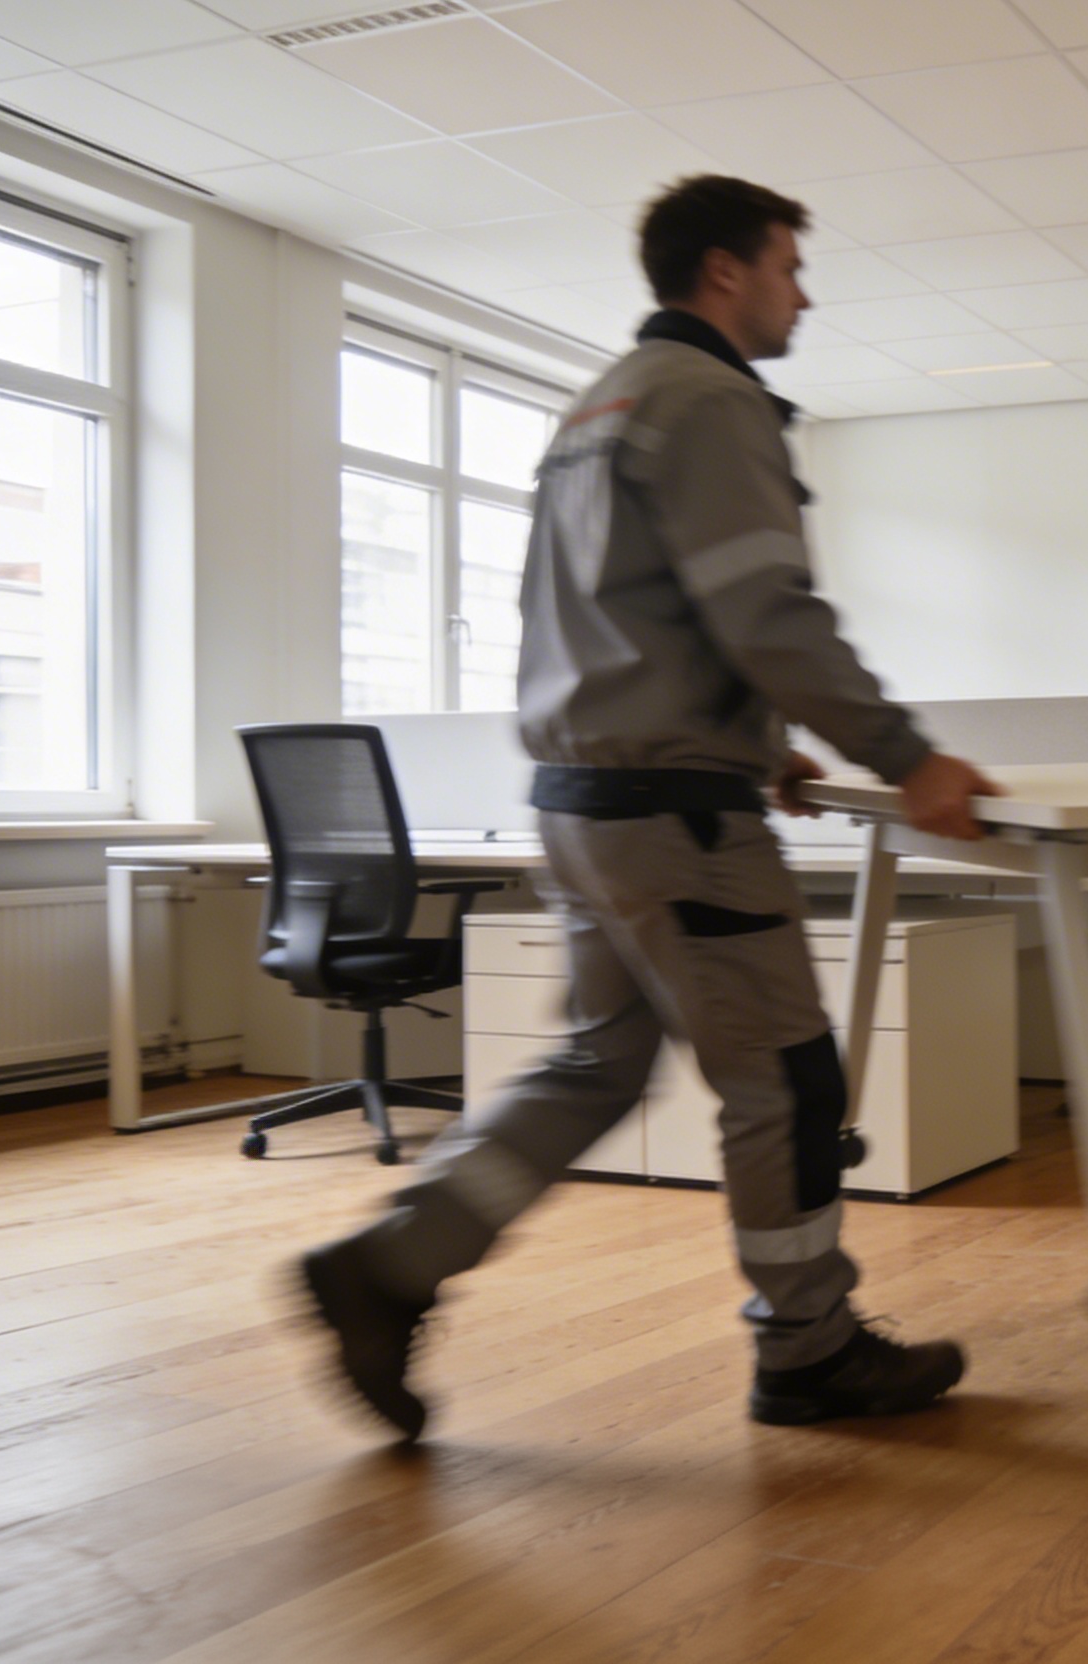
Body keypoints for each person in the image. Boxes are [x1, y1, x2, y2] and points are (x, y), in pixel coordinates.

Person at [299, 175, 1001, 1441]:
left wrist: (760, 740)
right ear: (723, 272)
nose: (805, 291)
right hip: (675, 819)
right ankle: (808, 1344)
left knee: (595, 1059)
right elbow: (764, 609)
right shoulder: (712, 400)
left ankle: (393, 1261)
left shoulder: (593, 410)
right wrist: (905, 757)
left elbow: (632, 615)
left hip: (581, 799)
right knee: (785, 1077)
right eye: (790, 264)